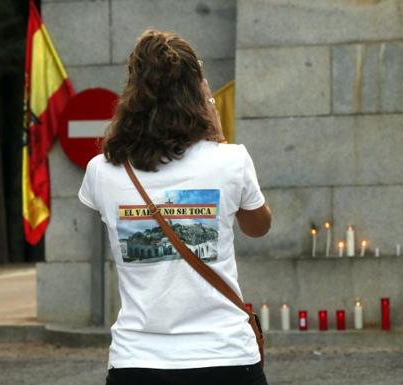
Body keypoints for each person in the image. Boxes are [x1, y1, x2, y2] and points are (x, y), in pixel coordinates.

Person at [78, 29, 272, 385]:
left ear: (133, 91)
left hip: (137, 362)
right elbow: (258, 227)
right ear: (198, 91)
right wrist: (217, 133)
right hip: (225, 357)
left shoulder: (102, 170)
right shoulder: (231, 160)